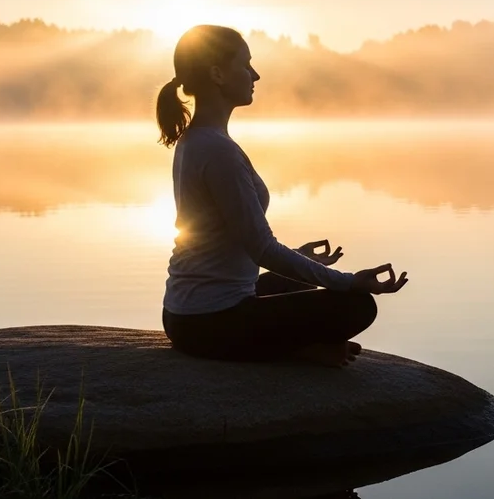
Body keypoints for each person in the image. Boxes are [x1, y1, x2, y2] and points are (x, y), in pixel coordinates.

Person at [154, 24, 407, 366]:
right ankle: (300, 352)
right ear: (217, 73)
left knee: (294, 285)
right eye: (245, 65)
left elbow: (235, 239)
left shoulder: (196, 141)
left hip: (185, 314)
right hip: (210, 323)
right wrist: (347, 282)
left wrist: (303, 259)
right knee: (357, 304)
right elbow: (261, 247)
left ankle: (300, 347)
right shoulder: (218, 151)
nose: (255, 75)